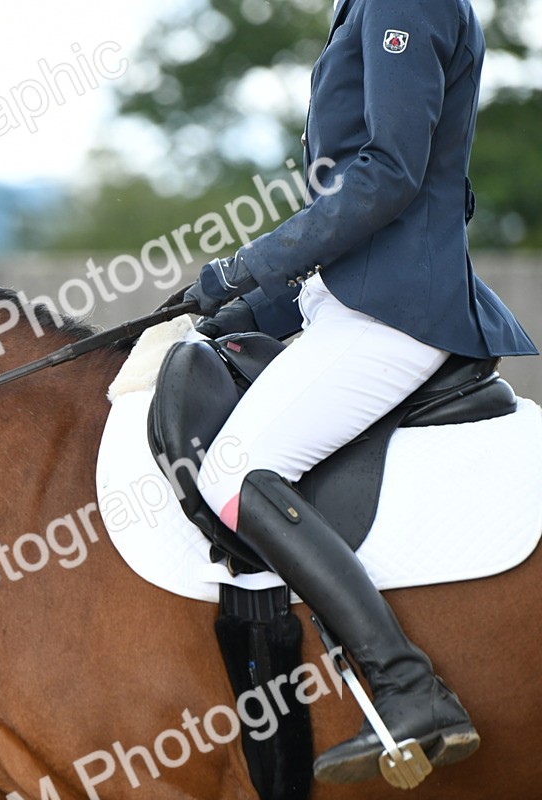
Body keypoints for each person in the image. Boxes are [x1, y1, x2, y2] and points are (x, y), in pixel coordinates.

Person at [173, 0, 537, 785]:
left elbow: (391, 172)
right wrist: (260, 301)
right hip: (351, 302)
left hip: (397, 311)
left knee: (233, 468)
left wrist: (248, 263)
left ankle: (409, 691)